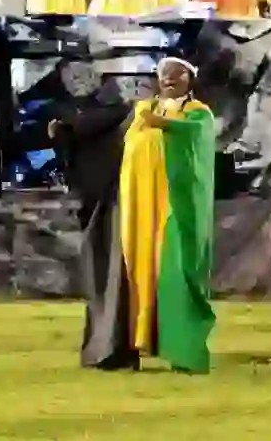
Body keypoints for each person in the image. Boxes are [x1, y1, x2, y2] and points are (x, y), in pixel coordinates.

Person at [48, 57, 215, 373]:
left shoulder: (197, 114)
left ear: (190, 79)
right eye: (164, 73)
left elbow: (196, 139)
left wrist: (165, 125)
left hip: (172, 212)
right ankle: (119, 350)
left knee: (176, 275)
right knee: (123, 277)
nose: (170, 78)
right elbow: (107, 143)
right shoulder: (140, 111)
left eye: (178, 73)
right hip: (134, 211)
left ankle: (185, 352)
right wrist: (67, 133)